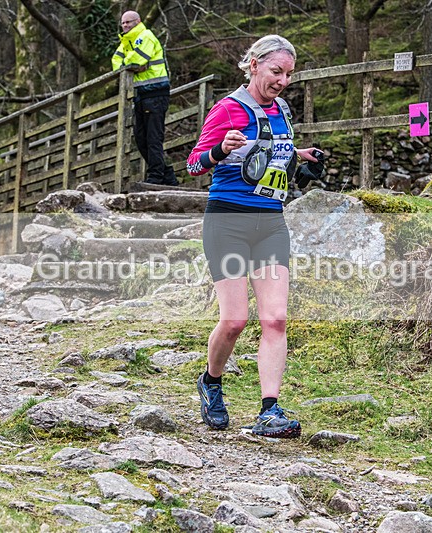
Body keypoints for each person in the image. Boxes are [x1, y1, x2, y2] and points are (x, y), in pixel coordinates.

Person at [186, 34, 323, 438]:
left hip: (270, 224)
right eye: (275, 71)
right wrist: (219, 152)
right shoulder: (228, 108)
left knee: (275, 318)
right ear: (253, 66)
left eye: (288, 74)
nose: (282, 81)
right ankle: (211, 382)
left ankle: (269, 410)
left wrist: (299, 156)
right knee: (233, 320)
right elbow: (194, 163)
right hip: (228, 222)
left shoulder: (281, 109)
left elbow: (271, 148)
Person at [112, 10, 178, 186]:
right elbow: (116, 63)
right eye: (123, 23)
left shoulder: (145, 36)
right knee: (140, 138)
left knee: (153, 137)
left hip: (155, 93)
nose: (125, 25)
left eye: (128, 22)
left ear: (138, 21)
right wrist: (129, 66)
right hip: (141, 94)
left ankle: (156, 177)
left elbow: (137, 61)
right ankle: (167, 176)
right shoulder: (127, 42)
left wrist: (130, 65)